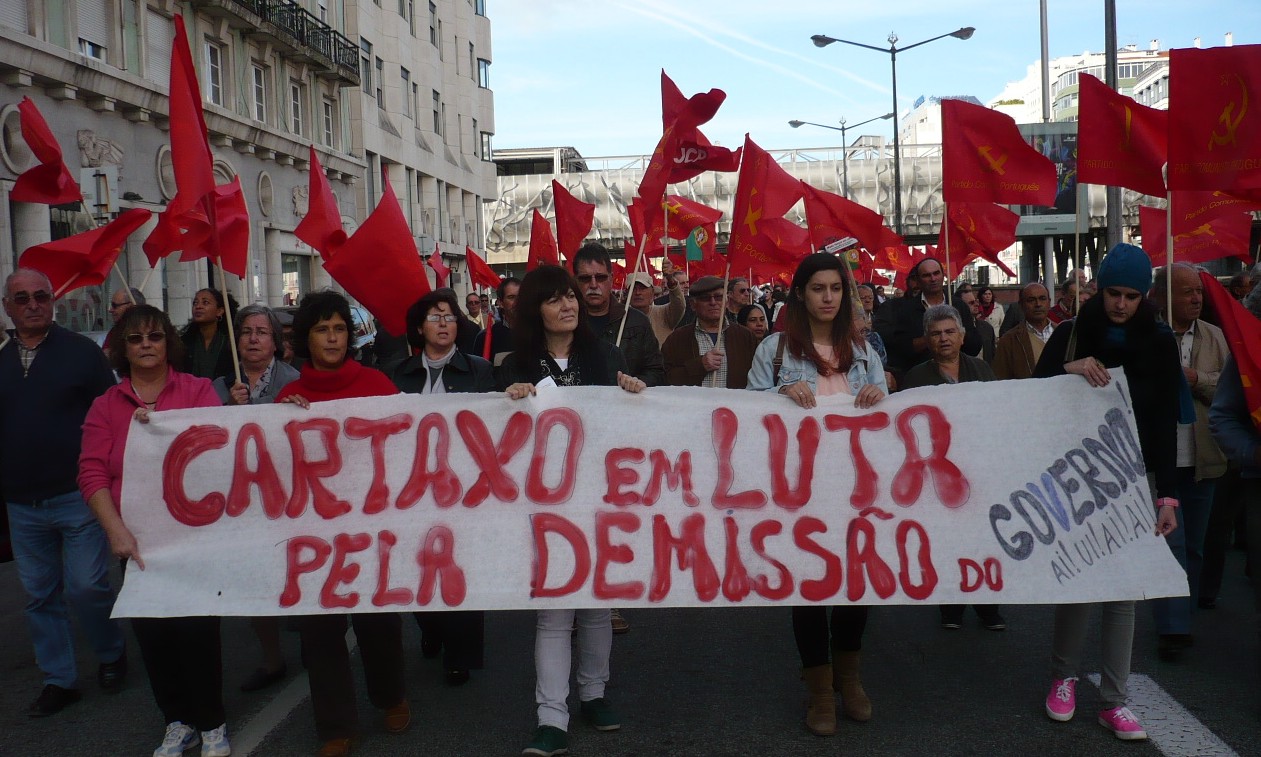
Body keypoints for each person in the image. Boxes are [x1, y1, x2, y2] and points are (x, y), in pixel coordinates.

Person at [1034, 243, 1180, 741]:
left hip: (1135, 477)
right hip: (1074, 475)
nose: (1120, 304)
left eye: (1131, 296)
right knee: (1081, 578)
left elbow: (1164, 420)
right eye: (1113, 293)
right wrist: (1067, 370)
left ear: (1145, 296)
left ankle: (1114, 701)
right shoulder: (1070, 333)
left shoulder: (1159, 341)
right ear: (1098, 289)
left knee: (1124, 591)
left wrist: (1168, 495)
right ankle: (1063, 678)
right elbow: (1029, 393)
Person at [498, 265, 645, 757]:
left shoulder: (605, 356)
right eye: (554, 298)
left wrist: (632, 395)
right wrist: (509, 401)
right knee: (554, 612)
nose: (568, 305)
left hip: (600, 496)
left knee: (597, 605)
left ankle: (594, 695)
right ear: (534, 310)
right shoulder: (516, 364)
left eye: (571, 297)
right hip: (543, 503)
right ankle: (551, 718)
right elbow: (497, 433)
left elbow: (628, 427)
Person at [78, 304, 230, 757]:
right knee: (154, 636)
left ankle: (212, 723)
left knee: (197, 633)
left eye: (155, 336)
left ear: (169, 343)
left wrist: (166, 432)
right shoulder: (106, 405)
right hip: (139, 541)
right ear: (122, 349)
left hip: (194, 537)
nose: (146, 345)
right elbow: (91, 472)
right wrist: (115, 531)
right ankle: (177, 721)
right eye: (135, 338)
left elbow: (221, 448)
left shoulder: (199, 390)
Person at [747, 252, 887, 737]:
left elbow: (886, 417)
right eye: (818, 288)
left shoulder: (864, 350)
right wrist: (780, 395)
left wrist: (880, 397)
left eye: (836, 288)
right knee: (808, 587)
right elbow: (748, 411)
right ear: (800, 295)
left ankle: (850, 680)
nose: (828, 297)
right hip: (798, 491)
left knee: (855, 583)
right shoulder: (775, 350)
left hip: (856, 488)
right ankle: (820, 691)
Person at [275, 291, 409, 757]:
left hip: (371, 527)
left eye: (338, 329)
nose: (331, 338)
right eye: (321, 329)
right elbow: (277, 467)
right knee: (320, 632)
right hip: (313, 535)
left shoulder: (377, 384)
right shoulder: (289, 398)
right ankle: (335, 723)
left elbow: (406, 442)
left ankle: (390, 696)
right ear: (306, 338)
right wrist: (278, 420)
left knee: (378, 620)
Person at [1, 268, 127, 718]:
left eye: (41, 295)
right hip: (22, 503)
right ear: (8, 307)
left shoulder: (82, 353)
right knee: (40, 596)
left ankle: (111, 653)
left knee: (87, 586)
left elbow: (111, 414)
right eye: (22, 298)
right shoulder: (0, 361)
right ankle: (59, 679)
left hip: (79, 495)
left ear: (52, 301)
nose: (33, 304)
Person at [391, 289, 494, 687]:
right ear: (419, 328)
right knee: (417, 562)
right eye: (435, 317)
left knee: (460, 566)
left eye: (449, 317)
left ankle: (459, 654)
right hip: (412, 488)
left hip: (463, 488)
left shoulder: (479, 370)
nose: (443, 323)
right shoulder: (397, 373)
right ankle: (431, 625)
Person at [207, 304, 300, 694]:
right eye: (246, 331)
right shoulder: (218, 386)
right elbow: (205, 438)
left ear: (276, 343)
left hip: (291, 497)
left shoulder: (295, 381)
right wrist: (229, 409)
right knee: (256, 579)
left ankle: (317, 643)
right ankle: (272, 658)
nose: (253, 338)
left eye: (262, 332)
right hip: (244, 500)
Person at [900, 305, 1006, 631]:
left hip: (979, 466)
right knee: (946, 540)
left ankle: (988, 606)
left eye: (949, 332)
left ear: (961, 336)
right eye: (936, 334)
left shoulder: (982, 369)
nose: (943, 339)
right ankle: (951, 607)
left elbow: (998, 413)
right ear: (927, 339)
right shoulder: (915, 378)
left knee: (982, 537)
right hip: (938, 473)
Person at [1149, 263, 1228, 661]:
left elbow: (1230, 391)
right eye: (1187, 292)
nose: (1196, 298)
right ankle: (1173, 627)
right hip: (1160, 462)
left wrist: (1197, 379)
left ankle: (1183, 613)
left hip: (1204, 459)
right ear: (1164, 297)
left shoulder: (1215, 337)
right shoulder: (1149, 336)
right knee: (1170, 543)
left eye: (1198, 291)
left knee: (1194, 546)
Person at [873, 258, 980, 382]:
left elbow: (974, 346)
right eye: (927, 275)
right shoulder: (905, 310)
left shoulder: (959, 306)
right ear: (918, 280)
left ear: (943, 275)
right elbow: (900, 350)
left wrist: (958, 335)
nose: (933, 279)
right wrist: (928, 339)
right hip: (922, 381)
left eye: (936, 273)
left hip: (959, 380)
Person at [572, 242, 664, 387]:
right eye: (585, 278)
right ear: (575, 280)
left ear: (611, 278)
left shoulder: (637, 322)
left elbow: (656, 371)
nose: (593, 285)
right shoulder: (565, 323)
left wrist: (636, 383)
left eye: (600, 278)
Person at [662, 276, 758, 390]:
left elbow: (757, 379)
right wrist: (699, 365)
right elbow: (665, 379)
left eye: (718, 297)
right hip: (693, 401)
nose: (713, 302)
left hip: (733, 401)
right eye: (705, 298)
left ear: (726, 301)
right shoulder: (677, 339)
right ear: (693, 304)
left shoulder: (745, 337)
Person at [992, 283, 1053, 381]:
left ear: (1049, 302)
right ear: (1021, 305)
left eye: (1042, 299)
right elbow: (1001, 380)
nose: (1038, 304)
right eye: (1031, 300)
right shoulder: (1008, 341)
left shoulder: (1065, 334)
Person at [180, 288, 238, 382]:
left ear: (219, 311)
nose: (198, 306)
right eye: (195, 303)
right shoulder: (184, 342)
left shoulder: (232, 342)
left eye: (205, 302)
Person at [474, 277, 521, 369]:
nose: (518, 302)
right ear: (500, 303)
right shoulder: (485, 337)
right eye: (511, 297)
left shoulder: (539, 333)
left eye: (521, 297)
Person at [628, 270, 685, 346]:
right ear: (627, 293)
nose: (637, 293)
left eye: (642, 288)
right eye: (633, 288)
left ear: (652, 293)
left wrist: (671, 281)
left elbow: (679, 305)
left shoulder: (664, 313)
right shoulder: (620, 317)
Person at [104, 287, 146, 358]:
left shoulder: (151, 328)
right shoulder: (114, 331)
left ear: (130, 306)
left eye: (114, 305)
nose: (111, 310)